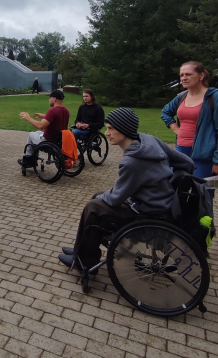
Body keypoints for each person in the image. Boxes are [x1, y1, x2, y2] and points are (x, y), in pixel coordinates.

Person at [59, 107, 194, 270]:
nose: (107, 133)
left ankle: (85, 261)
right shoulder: (150, 140)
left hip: (149, 213)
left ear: (123, 129)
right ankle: (81, 249)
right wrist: (174, 182)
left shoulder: (132, 162)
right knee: (97, 197)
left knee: (93, 207)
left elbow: (115, 198)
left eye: (111, 128)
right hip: (163, 206)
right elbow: (187, 163)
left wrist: (102, 198)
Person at [162, 61, 218, 189]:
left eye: (188, 74)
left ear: (201, 75)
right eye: (181, 75)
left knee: (202, 193)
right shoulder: (182, 96)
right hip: (181, 152)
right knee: (175, 190)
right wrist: (175, 128)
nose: (183, 78)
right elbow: (165, 112)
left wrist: (217, 161)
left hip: (204, 155)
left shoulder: (213, 97)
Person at [18, 89, 70, 168]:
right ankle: (32, 157)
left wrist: (28, 118)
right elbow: (56, 118)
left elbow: (40, 125)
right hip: (59, 140)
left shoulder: (53, 111)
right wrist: (44, 116)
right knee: (37, 132)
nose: (49, 100)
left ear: (55, 99)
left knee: (31, 134)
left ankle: (29, 160)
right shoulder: (66, 111)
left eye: (50, 98)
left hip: (48, 141)